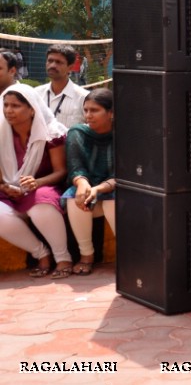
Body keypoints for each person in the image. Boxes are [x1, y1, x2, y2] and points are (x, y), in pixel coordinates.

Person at [0, 84, 70, 279]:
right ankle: (41, 254)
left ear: (31, 108)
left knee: (41, 201)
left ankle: (63, 257)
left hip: (44, 186)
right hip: (10, 192)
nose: (8, 111)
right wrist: (5, 187)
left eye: (15, 106)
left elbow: (61, 171)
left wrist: (36, 183)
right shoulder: (1, 133)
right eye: (5, 105)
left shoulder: (50, 133)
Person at [64, 88, 116, 276]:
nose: (88, 115)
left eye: (94, 110)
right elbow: (75, 166)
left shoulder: (125, 134)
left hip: (115, 188)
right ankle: (86, 255)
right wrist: (83, 184)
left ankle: (128, 256)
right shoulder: (77, 132)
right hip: (89, 191)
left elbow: (125, 174)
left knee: (112, 200)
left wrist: (99, 188)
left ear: (111, 113)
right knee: (72, 197)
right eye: (86, 110)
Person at [35, 44, 89, 129]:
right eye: (50, 61)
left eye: (58, 62)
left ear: (70, 68)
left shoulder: (83, 98)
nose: (52, 65)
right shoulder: (36, 94)